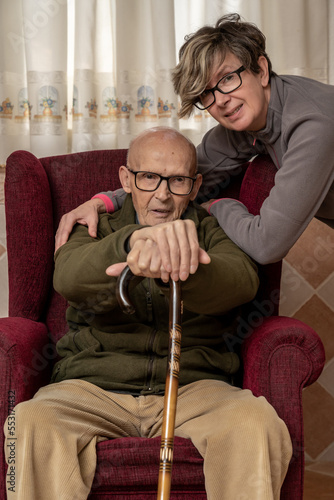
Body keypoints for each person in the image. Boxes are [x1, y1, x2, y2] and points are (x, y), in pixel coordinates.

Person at [4, 127, 291, 500]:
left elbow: (241, 283)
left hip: (195, 389)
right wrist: (128, 245)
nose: (162, 193)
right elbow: (69, 277)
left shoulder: (214, 228)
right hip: (93, 388)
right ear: (126, 179)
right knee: (31, 421)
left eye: (177, 181)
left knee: (257, 424)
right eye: (149, 177)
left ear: (195, 183)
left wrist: (188, 264)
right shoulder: (92, 226)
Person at [54, 13, 334, 265]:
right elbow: (177, 180)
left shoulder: (313, 124)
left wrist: (219, 206)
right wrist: (101, 202)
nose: (221, 100)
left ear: (260, 70)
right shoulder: (242, 123)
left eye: (226, 79)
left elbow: (267, 245)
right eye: (206, 93)